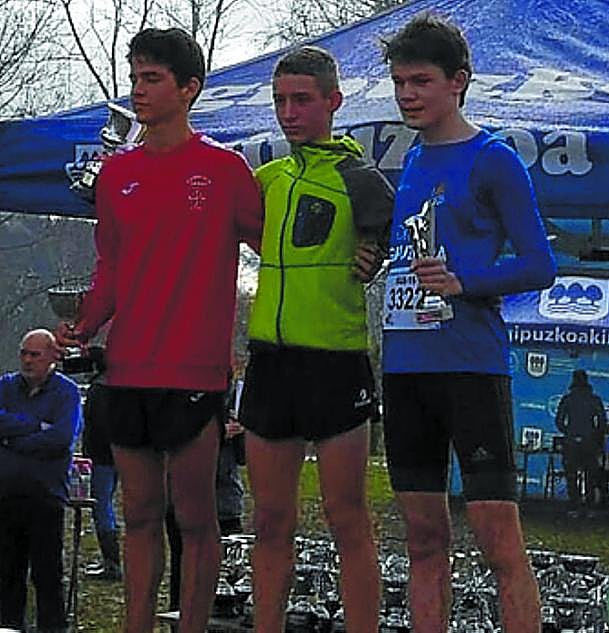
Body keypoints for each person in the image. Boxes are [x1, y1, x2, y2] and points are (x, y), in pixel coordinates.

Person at [55, 27, 263, 633]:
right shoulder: (117, 175)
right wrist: (83, 324)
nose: (138, 90)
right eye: (135, 78)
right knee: (140, 513)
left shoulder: (224, 169)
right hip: (128, 367)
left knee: (195, 518)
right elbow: (112, 268)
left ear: (189, 88)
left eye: (152, 79)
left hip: (195, 368)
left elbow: (275, 250)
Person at [381, 13, 556, 633]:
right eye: (399, 82)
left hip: (469, 366)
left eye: (420, 81)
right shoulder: (411, 162)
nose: (407, 95)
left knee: (496, 540)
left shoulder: (493, 158)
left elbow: (540, 264)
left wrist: (465, 282)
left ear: (458, 81)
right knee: (423, 538)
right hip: (406, 367)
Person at [239, 46, 394, 633]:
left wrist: (376, 252)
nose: (289, 113)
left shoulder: (362, 179)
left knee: (347, 516)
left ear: (334, 101)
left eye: (302, 100)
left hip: (336, 360)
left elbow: (399, 240)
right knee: (269, 520)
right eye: (280, 101)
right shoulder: (267, 179)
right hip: (270, 361)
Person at [0, 329, 82, 633]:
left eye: (35, 355)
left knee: (47, 573)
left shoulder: (66, 393)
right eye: (24, 353)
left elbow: (61, 438)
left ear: (51, 357)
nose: (27, 360)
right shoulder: (5, 386)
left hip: (45, 495)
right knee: (7, 572)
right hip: (6, 493)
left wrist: (11, 440)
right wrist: (36, 425)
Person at [166, 375, 246, 611]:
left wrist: (241, 431)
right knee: (184, 565)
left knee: (229, 568)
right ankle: (181, 616)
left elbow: (243, 457)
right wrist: (217, 433)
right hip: (183, 496)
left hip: (225, 498)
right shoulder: (175, 393)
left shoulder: (235, 396)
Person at [82, 346, 122, 581]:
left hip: (101, 457)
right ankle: (112, 558)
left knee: (101, 505)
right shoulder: (117, 385)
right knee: (107, 504)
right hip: (116, 454)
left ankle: (111, 561)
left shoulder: (99, 389)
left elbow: (96, 426)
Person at [556, 369, 607, 516]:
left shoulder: (567, 399)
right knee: (590, 475)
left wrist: (569, 432)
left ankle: (575, 506)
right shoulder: (594, 399)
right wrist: (594, 436)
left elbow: (559, 421)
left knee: (571, 475)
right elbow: (602, 422)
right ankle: (589, 506)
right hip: (589, 442)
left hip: (571, 441)